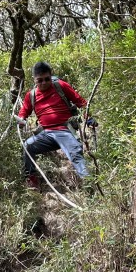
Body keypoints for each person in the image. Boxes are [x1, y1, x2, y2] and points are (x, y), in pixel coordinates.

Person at [16, 61, 93, 189]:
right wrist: (21, 120)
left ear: (51, 76)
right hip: (46, 134)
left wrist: (89, 118)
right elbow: (24, 111)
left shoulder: (60, 85)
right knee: (28, 146)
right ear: (34, 80)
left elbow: (80, 102)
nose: (44, 83)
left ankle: (90, 185)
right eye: (40, 80)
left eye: (47, 79)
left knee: (75, 154)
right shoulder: (31, 95)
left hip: (65, 131)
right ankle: (31, 179)